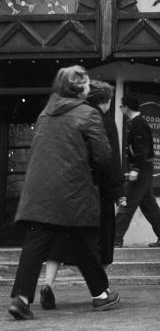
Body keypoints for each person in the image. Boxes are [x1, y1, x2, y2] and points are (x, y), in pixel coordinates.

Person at [8, 66, 120, 320]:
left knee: (36, 243)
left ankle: (21, 299)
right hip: (72, 189)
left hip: (39, 189)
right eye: (88, 83)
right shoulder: (87, 114)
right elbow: (103, 156)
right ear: (78, 88)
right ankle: (101, 295)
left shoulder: (46, 113)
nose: (91, 87)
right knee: (83, 240)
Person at [38, 80, 126, 309]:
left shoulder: (70, 117)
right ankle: (101, 290)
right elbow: (109, 160)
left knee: (59, 239)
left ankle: (48, 283)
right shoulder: (103, 121)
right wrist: (118, 192)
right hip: (95, 190)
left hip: (65, 188)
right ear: (106, 101)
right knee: (99, 242)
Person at [114, 94, 160, 248]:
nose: (120, 109)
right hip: (144, 168)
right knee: (149, 205)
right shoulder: (136, 122)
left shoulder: (138, 123)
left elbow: (142, 149)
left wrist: (135, 169)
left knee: (127, 202)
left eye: (121, 106)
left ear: (126, 107)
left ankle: (114, 238)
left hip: (141, 170)